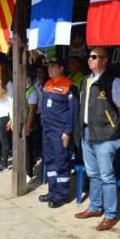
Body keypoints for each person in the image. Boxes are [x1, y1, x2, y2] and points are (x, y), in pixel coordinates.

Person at [74, 47, 120, 232]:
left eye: (95, 57)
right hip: (87, 133)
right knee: (93, 174)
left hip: (106, 136)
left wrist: (114, 130)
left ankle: (110, 215)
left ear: (105, 60)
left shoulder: (114, 82)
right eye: (89, 56)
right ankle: (95, 207)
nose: (90, 59)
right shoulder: (85, 81)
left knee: (106, 176)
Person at [39, 57, 78, 208]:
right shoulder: (47, 84)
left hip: (59, 132)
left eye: (52, 66)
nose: (49, 69)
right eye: (48, 66)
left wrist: (67, 132)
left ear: (61, 68)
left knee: (61, 163)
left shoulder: (69, 86)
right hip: (47, 131)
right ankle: (52, 191)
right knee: (49, 162)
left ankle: (61, 196)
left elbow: (73, 112)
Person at [25, 68, 39, 182]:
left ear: (28, 79)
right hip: (21, 124)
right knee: (23, 149)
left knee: (28, 149)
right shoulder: (23, 90)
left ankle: (29, 173)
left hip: (28, 125)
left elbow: (32, 111)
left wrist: (28, 126)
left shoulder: (32, 91)